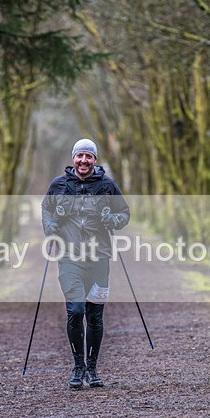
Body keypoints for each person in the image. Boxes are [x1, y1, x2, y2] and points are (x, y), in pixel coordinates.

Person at [41, 138, 130, 389]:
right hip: (69, 258)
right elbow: (46, 209)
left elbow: (124, 213)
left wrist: (113, 220)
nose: (83, 160)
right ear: (73, 159)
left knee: (94, 316)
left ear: (94, 160)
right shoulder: (59, 185)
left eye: (88, 156)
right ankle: (78, 366)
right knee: (76, 310)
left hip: (99, 259)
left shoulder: (107, 185)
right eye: (80, 155)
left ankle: (92, 369)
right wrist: (50, 226)